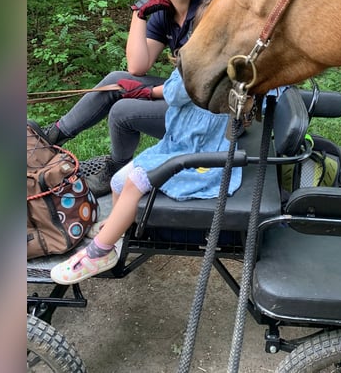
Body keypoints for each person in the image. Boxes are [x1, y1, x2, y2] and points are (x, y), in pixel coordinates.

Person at [38, 0, 215, 195]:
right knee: (116, 79)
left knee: (122, 111)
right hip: (185, 95)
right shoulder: (163, 11)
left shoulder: (209, 9)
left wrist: (150, 92)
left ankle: (117, 168)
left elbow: (206, 83)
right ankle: (51, 137)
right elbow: (137, 67)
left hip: (208, 111)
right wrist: (139, 14)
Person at [50, 48, 242, 284]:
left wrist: (170, 78)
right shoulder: (224, 65)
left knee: (136, 180)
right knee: (118, 181)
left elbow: (175, 94)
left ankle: (99, 252)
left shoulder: (205, 67)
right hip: (180, 143)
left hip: (201, 153)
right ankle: (118, 229)